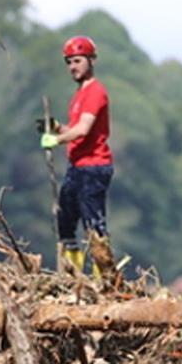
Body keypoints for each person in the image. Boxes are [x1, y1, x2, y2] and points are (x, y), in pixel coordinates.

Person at [38, 35, 116, 278]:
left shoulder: (95, 92)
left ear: (91, 60)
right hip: (77, 166)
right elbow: (76, 131)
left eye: (78, 61)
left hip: (94, 167)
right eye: (69, 62)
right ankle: (72, 276)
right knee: (65, 223)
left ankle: (103, 277)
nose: (73, 66)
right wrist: (57, 127)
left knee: (94, 227)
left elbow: (83, 129)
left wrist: (56, 140)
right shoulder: (79, 94)